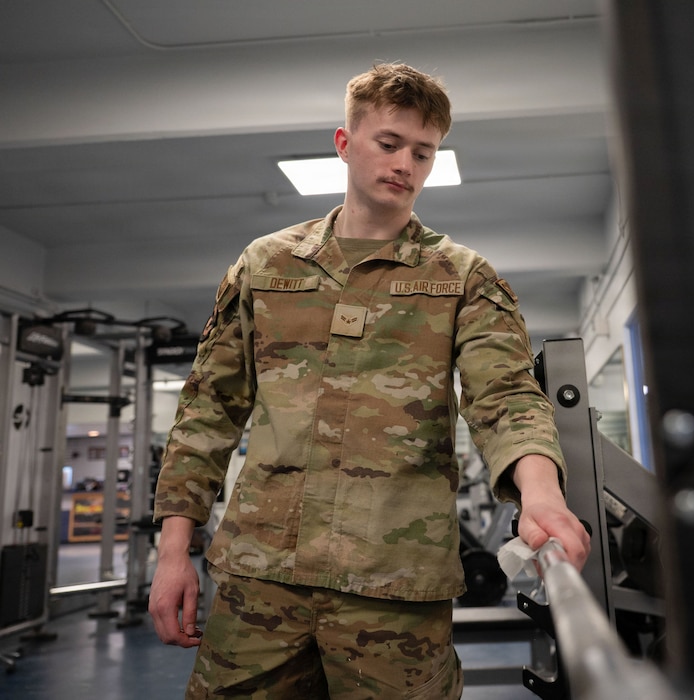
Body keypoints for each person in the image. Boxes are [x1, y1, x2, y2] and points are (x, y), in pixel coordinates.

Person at [148, 62, 591, 698]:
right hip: (260, 578)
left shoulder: (461, 277)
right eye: (389, 144)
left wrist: (541, 494)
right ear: (345, 143)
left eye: (423, 151)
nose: (405, 163)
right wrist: (173, 553)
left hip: (394, 586)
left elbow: (505, 397)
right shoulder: (266, 266)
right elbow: (209, 409)